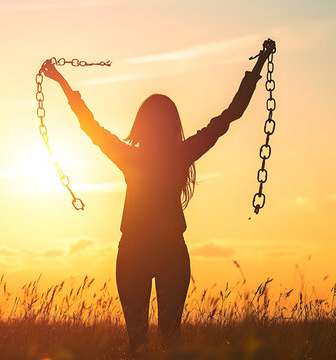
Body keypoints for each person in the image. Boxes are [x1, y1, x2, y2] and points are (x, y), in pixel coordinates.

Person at [41, 40, 275, 354]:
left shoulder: (130, 157)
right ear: (172, 124)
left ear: (142, 124)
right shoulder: (180, 154)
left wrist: (62, 81)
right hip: (170, 252)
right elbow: (229, 115)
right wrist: (258, 64)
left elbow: (90, 125)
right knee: (170, 340)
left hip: (135, 251)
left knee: (137, 343)